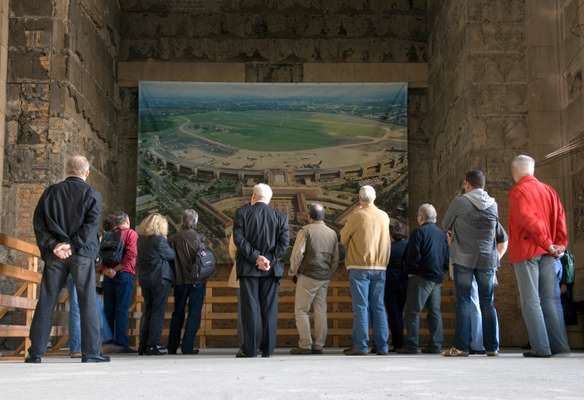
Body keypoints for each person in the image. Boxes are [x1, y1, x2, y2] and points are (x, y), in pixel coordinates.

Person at [27, 155, 109, 363]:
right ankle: (90, 353)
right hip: (81, 254)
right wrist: (73, 246)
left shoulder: (50, 192)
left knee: (47, 299)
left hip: (56, 254)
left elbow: (39, 223)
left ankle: (36, 353)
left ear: (67, 169)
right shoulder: (92, 194)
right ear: (87, 172)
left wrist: (54, 246)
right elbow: (90, 228)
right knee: (87, 300)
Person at [508, 155, 570, 357]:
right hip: (549, 251)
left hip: (528, 250)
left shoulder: (518, 191)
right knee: (551, 299)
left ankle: (541, 348)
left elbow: (529, 220)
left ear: (514, 171)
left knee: (531, 300)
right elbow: (561, 219)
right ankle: (560, 347)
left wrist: (547, 243)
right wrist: (559, 245)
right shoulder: (550, 190)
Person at [441, 169, 508, 357]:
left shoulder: (460, 201)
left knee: (463, 301)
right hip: (487, 259)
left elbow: (445, 224)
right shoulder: (494, 205)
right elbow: (496, 232)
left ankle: (461, 347)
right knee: (488, 302)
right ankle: (492, 347)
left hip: (463, 257)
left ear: (467, 184)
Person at [233, 183, 289, 358]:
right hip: (271, 270)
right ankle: (268, 349)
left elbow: (239, 240)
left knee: (250, 309)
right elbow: (284, 244)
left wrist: (256, 257)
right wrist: (268, 260)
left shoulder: (242, 213)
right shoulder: (280, 216)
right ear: (269, 198)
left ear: (253, 197)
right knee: (269, 309)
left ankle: (250, 349)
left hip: (249, 268)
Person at [341, 185, 391, 356]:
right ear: (374, 197)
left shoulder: (357, 215)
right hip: (380, 267)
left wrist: (356, 212)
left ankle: (361, 346)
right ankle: (382, 346)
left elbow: (343, 237)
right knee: (378, 306)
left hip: (359, 266)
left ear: (359, 198)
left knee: (361, 307)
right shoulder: (384, 216)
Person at [289, 203, 339, 355]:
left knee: (301, 310)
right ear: (324, 216)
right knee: (320, 311)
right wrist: (329, 274)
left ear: (310, 216)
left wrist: (293, 272)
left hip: (307, 275)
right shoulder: (332, 233)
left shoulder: (306, 230)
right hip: (324, 277)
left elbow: (298, 254)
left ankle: (305, 344)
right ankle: (319, 345)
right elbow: (336, 259)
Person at [400, 203, 449, 354]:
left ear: (421, 217)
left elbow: (413, 255)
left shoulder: (418, 232)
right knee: (434, 312)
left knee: (412, 311)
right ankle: (436, 345)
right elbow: (446, 256)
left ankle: (412, 345)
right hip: (437, 278)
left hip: (421, 277)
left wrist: (410, 271)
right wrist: (442, 272)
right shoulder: (442, 234)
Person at [167, 209, 207, 355]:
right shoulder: (200, 238)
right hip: (197, 281)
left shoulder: (173, 239)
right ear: (195, 221)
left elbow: (170, 261)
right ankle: (187, 346)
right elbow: (204, 260)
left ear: (182, 220)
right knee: (194, 314)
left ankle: (172, 346)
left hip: (179, 281)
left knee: (177, 313)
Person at [137, 213, 175, 356]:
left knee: (148, 311)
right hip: (159, 279)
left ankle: (143, 345)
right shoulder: (159, 240)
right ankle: (153, 345)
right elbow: (171, 255)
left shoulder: (141, 241)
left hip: (145, 280)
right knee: (157, 312)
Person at [101, 211, 138, 353]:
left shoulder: (107, 235)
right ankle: (121, 343)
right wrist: (117, 269)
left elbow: (99, 256)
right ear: (127, 221)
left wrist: (106, 270)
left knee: (109, 309)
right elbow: (131, 255)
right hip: (124, 274)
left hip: (108, 276)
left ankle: (108, 341)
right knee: (122, 309)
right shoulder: (130, 233)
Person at [384, 221, 409, 352]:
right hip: (405, 282)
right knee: (405, 312)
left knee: (394, 314)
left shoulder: (388, 247)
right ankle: (406, 341)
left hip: (390, 282)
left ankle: (397, 342)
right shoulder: (409, 246)